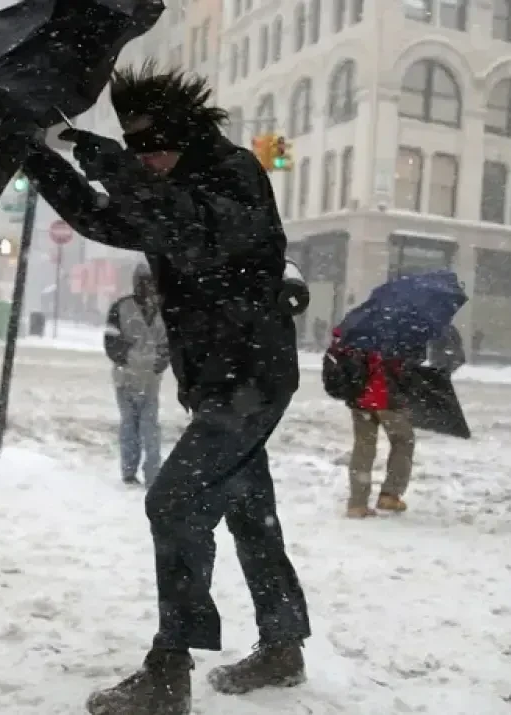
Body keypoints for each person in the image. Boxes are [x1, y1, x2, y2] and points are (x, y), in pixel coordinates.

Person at [21, 61, 311, 714]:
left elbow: (194, 232)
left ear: (182, 133)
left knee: (174, 502)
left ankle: (168, 669)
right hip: (220, 384)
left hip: (252, 378)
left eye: (151, 147)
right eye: (135, 148)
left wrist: (111, 163)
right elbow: (101, 218)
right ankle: (284, 643)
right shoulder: (167, 185)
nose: (144, 160)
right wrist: (37, 161)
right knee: (249, 513)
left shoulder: (232, 175)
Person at [329, 327, 417, 519]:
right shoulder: (396, 329)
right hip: (385, 397)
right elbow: (401, 367)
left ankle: (357, 504)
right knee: (403, 441)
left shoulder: (356, 326)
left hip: (359, 398)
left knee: (363, 447)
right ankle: (390, 494)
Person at [104, 264, 169, 487]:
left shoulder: (164, 311)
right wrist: (129, 359)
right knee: (129, 426)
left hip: (151, 380)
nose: (148, 287)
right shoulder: (120, 308)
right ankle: (129, 472)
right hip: (126, 379)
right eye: (144, 282)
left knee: (150, 428)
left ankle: (153, 474)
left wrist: (159, 363)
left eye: (152, 282)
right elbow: (111, 343)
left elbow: (168, 345)